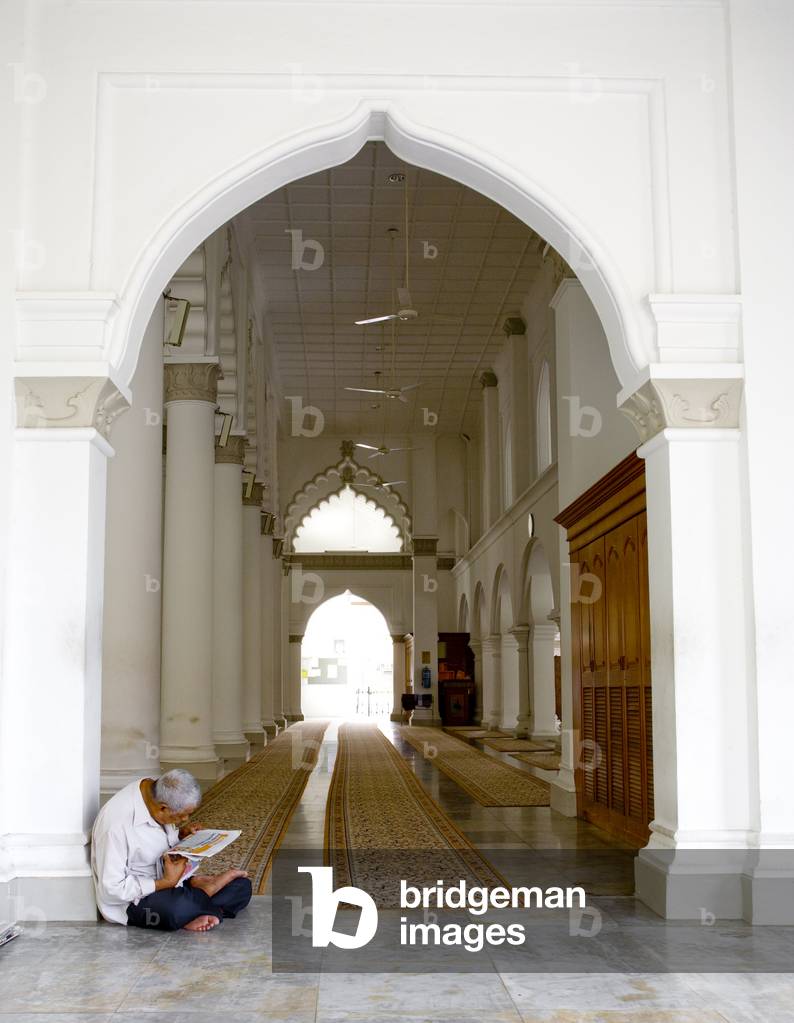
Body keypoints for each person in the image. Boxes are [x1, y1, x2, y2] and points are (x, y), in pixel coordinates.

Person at [91, 768, 252, 932]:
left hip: (175, 885)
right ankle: (203, 895)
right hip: (138, 900)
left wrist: (181, 836)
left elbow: (156, 840)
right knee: (176, 910)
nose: (185, 819)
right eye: (182, 815)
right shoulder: (115, 826)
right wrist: (164, 883)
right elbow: (111, 890)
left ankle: (194, 907)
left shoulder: (157, 790)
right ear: (162, 808)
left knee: (242, 886)